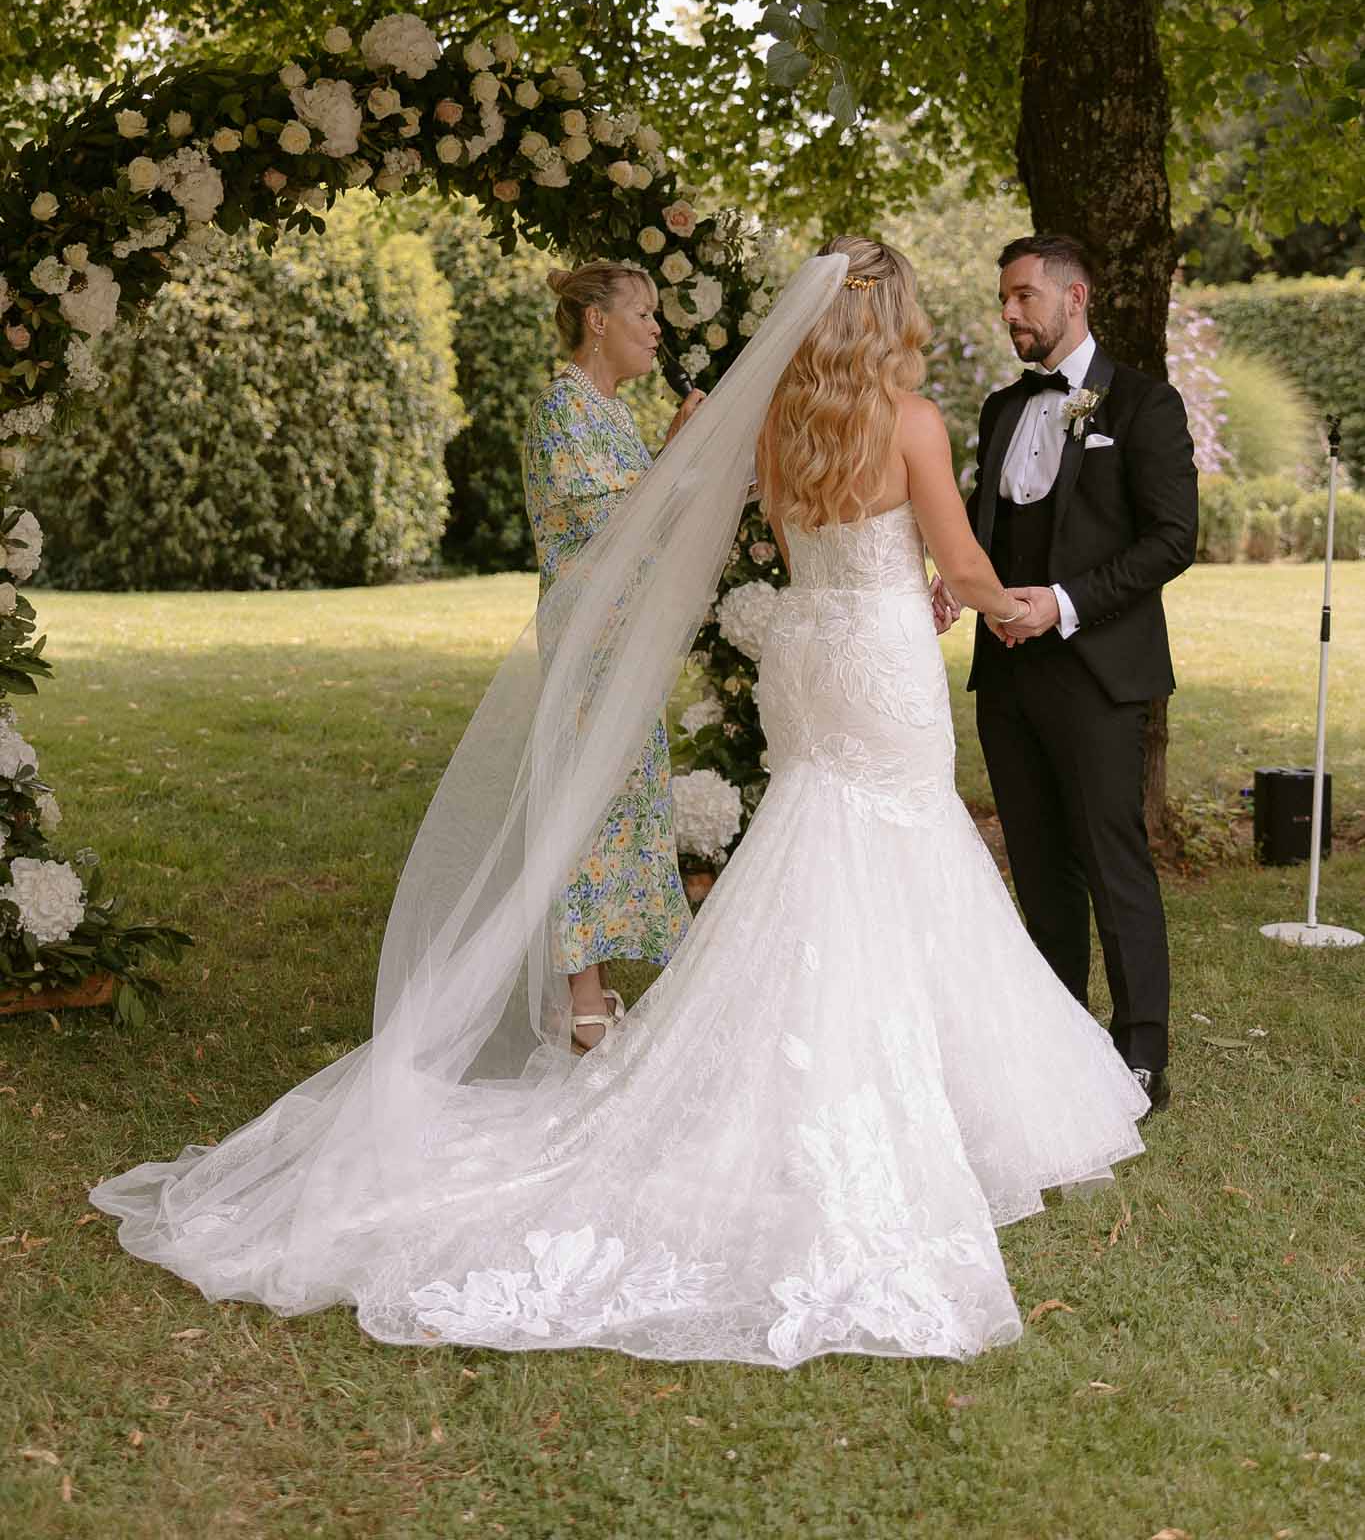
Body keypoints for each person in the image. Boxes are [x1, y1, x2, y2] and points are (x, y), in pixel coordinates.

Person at [90, 236, 1148, 1369]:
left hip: (811, 660)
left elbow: (799, 553)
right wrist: (1005, 601)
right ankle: (924, 1097)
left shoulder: (779, 428)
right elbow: (960, 559)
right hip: (883, 665)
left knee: (811, 845)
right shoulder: (916, 422)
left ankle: (795, 1073)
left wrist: (893, 580)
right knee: (902, 842)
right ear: (888, 320)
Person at [934, 233, 1198, 1117]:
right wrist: (958, 580)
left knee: (1108, 856)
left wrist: (1064, 602)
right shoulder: (1001, 409)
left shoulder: (1144, 404)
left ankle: (1139, 1059)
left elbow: (1171, 539)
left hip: (1095, 670)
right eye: (1003, 299)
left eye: (1022, 297)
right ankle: (1056, 1041)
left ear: (1073, 297)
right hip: (1006, 677)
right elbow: (986, 529)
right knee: (1038, 864)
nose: (1009, 313)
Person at [522, 261, 701, 1051]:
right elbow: (609, 525)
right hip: (588, 642)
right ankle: (583, 1004)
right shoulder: (564, 408)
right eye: (644, 313)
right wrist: (678, 450)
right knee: (586, 801)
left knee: (622, 799)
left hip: (624, 637)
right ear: (598, 321)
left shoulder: (612, 411)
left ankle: (593, 988)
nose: (656, 328)